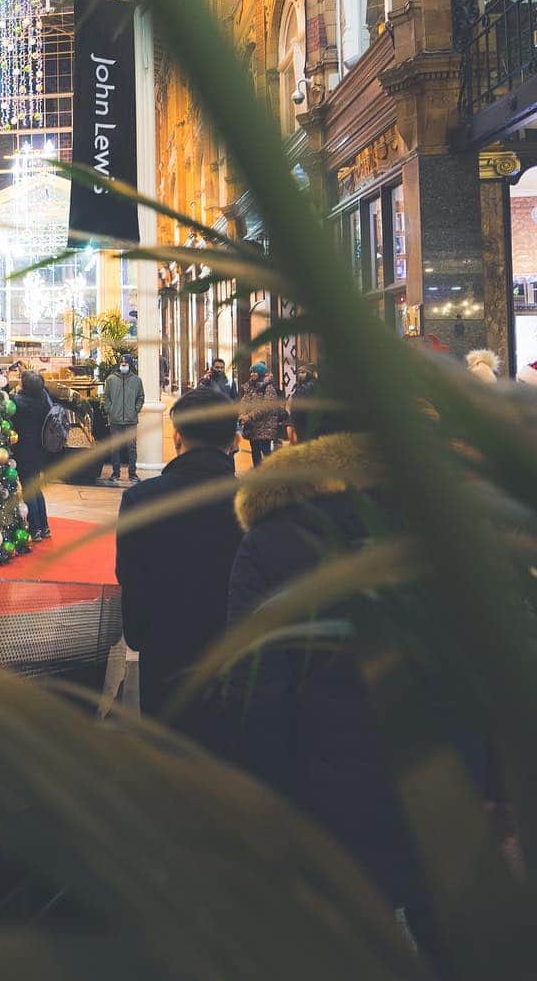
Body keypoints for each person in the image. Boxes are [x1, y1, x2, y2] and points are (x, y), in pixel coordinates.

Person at [226, 384, 444, 919]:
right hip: (440, 776)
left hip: (320, 776)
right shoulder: (440, 522)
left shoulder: (273, 535)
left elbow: (254, 675)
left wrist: (264, 787)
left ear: (296, 439)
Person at [115, 386, 241, 748]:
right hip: (237, 655)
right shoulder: (254, 500)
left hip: (166, 651)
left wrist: (138, 636)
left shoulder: (142, 499)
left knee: (168, 754)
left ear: (177, 437)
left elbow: (132, 578)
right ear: (234, 440)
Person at [11, 368, 61, 542]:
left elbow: (11, 414)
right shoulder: (44, 399)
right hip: (40, 450)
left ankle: (35, 528)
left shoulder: (19, 402)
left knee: (28, 489)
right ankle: (44, 526)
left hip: (24, 450)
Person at [101, 351, 144, 484]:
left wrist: (136, 410)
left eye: (125, 364)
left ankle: (132, 474)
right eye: (121, 363)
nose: (123, 365)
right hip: (115, 419)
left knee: (132, 448)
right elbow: (106, 397)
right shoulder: (111, 380)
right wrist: (110, 410)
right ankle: (115, 473)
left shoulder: (137, 381)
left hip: (131, 420)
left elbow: (140, 397)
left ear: (130, 365)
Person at [237, 359, 286, 466]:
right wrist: (241, 414)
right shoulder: (249, 387)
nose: (252, 374)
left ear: (261, 373)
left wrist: (249, 416)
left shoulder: (268, 387)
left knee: (266, 452)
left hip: (264, 426)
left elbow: (266, 407)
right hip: (252, 427)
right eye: (252, 372)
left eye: (255, 372)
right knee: (255, 452)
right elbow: (243, 402)